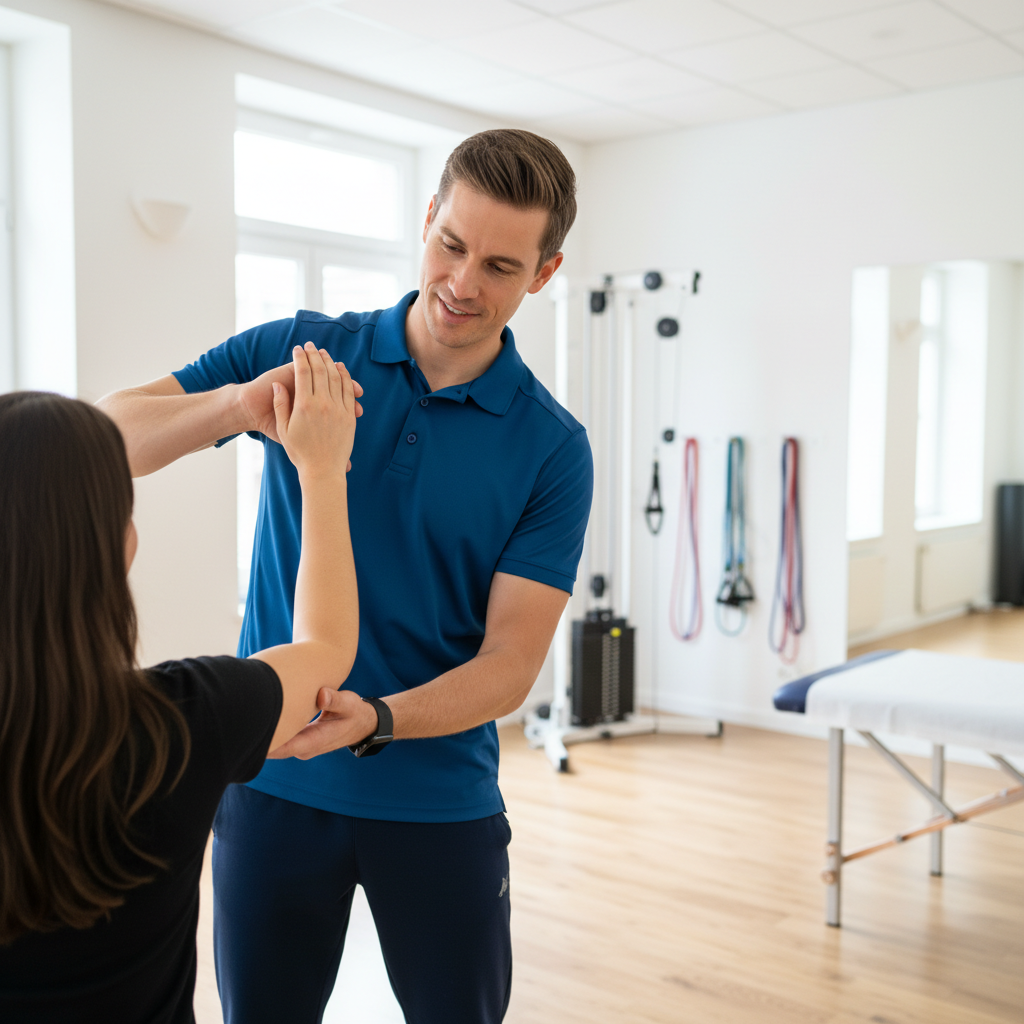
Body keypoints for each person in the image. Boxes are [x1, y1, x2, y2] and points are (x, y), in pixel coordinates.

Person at [99, 128, 594, 1024]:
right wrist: (242, 403)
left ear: (545, 273)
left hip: (439, 801)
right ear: (427, 219)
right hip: (272, 786)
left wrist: (381, 722)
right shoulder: (306, 351)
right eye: (451, 245)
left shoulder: (552, 449)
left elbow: (511, 664)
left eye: (500, 267)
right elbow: (106, 441)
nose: (462, 284)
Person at [0, 345, 360, 1023]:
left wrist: (236, 403)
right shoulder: (190, 719)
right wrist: (321, 470)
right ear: (122, 543)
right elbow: (326, 650)